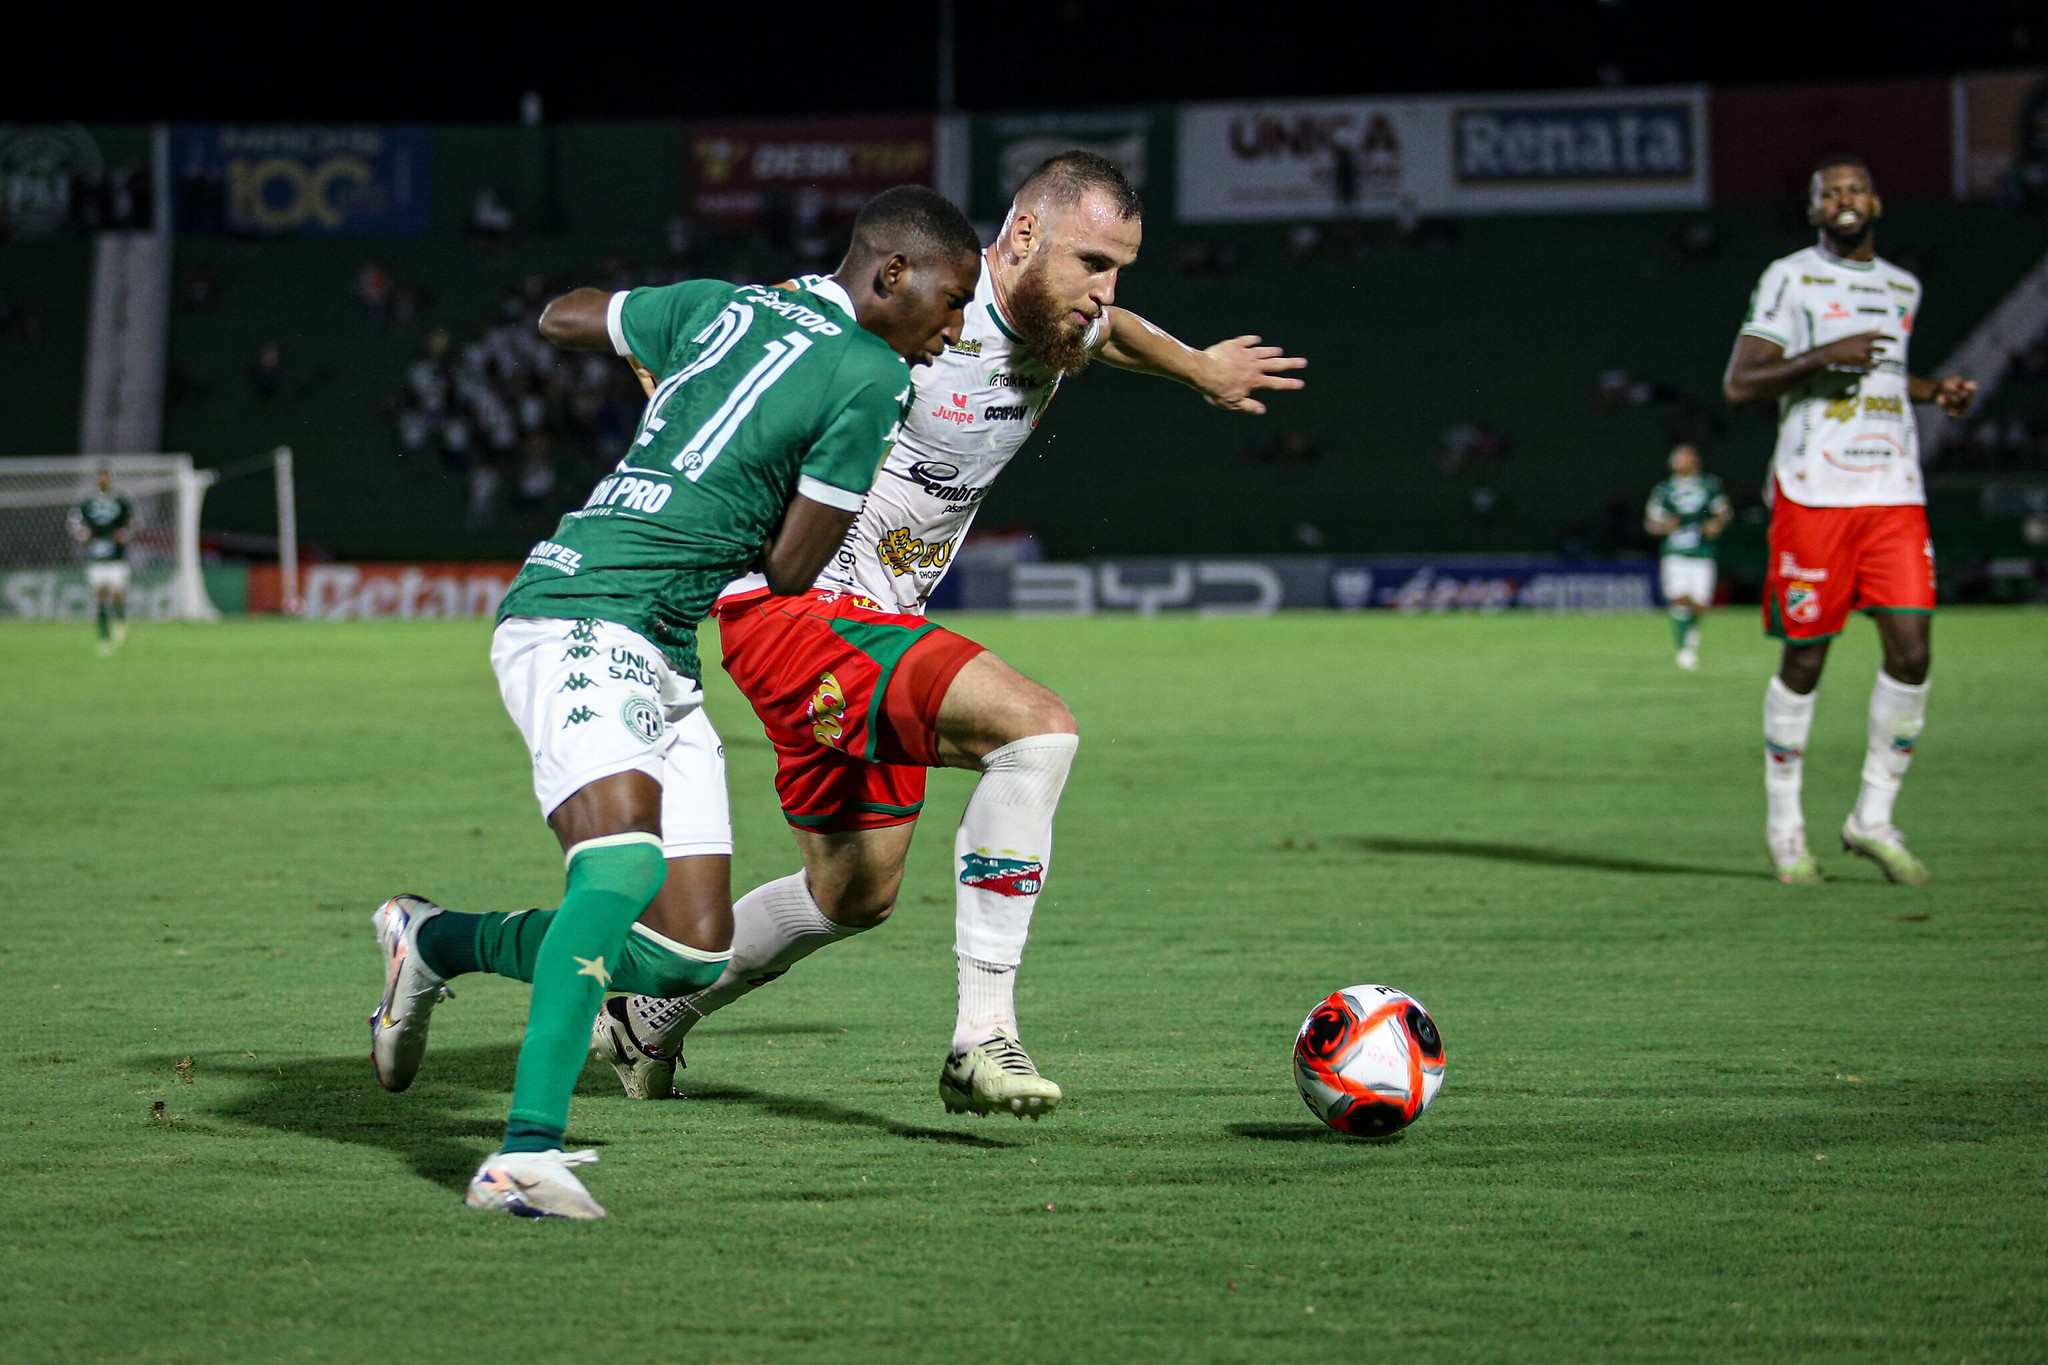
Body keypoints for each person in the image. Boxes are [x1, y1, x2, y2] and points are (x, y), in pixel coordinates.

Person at [593, 151, 1307, 1118]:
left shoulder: (1062, 321)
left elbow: (1118, 334)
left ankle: (643, 1016)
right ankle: (983, 1037)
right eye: (1093, 263)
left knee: (851, 894)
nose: (1105, 291)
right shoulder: (921, 304)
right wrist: (683, 383)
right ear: (1022, 235)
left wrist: (1199, 368)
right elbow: (757, 325)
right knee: (1037, 730)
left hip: (874, 627)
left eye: (1119, 269)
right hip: (794, 610)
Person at [364, 186, 982, 1219]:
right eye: (952, 299)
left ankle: (431, 941)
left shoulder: (719, 304)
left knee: (684, 949)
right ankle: (522, 1158)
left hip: (660, 640)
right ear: (891, 274)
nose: (954, 328)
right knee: (619, 871)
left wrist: (676, 382)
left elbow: (563, 314)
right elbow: (791, 570)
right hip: (584, 610)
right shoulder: (872, 374)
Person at [1722, 156, 1976, 885]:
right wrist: (1823, 354)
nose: (1844, 199)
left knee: (1913, 653)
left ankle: (1873, 818)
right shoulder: (1789, 277)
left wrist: (1933, 390)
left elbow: (1882, 375)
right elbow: (1740, 383)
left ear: (1876, 203)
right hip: (1815, 492)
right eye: (1829, 192)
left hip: (1894, 491)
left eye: (1855, 189)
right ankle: (1784, 827)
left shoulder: (1902, 286)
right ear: (1813, 211)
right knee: (1806, 658)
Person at [1643, 443, 1731, 670]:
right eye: (1676, 457)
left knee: (1700, 603)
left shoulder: (1708, 485)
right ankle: (1684, 650)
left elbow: (1723, 513)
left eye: (1684, 457)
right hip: (1675, 552)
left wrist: (1715, 525)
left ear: (1695, 460)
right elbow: (1651, 522)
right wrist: (1665, 526)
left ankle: (1690, 633)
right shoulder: (1664, 489)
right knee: (1679, 597)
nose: (1679, 461)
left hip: (1703, 552)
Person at [69, 466, 133, 654]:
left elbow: (134, 523)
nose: (103, 480)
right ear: (97, 479)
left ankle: (120, 623)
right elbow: (74, 523)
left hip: (117, 558)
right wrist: (83, 534)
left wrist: (125, 535)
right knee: (100, 596)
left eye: (106, 477)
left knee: (117, 594)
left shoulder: (122, 501)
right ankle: (104, 637)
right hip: (96, 558)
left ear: (111, 479)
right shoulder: (87, 501)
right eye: (100, 477)